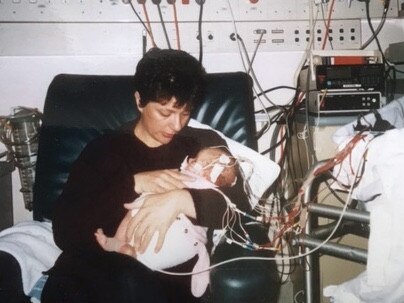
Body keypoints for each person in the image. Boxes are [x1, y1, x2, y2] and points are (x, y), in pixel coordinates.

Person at [41, 48, 251, 303]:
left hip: (157, 280)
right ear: (139, 100)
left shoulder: (201, 146)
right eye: (165, 113)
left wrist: (181, 200)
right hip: (93, 271)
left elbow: (243, 211)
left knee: (130, 282)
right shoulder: (106, 148)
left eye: (185, 112)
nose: (177, 125)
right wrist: (133, 184)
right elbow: (65, 231)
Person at [94, 146, 238, 297]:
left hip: (183, 232)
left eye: (199, 161)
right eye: (194, 158)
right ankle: (118, 242)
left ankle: (135, 258)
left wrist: (181, 196)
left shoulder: (209, 187)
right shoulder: (115, 144)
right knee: (135, 209)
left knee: (162, 248)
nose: (192, 161)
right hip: (146, 208)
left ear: (212, 174)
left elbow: (231, 204)